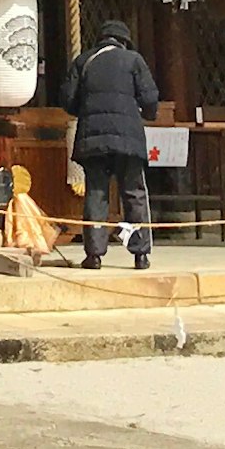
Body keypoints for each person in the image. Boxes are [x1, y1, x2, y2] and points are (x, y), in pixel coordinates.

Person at [67, 14, 163, 268]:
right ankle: (139, 253)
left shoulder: (83, 61)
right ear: (124, 41)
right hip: (128, 138)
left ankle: (94, 254)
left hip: (93, 138)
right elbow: (150, 97)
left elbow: (67, 99)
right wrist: (148, 115)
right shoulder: (134, 60)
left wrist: (87, 111)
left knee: (96, 195)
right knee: (133, 193)